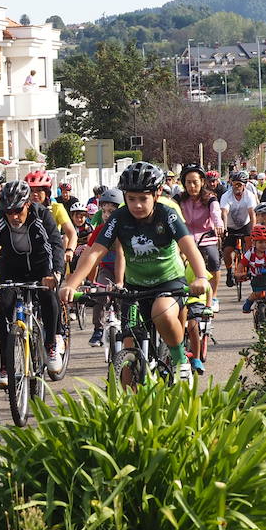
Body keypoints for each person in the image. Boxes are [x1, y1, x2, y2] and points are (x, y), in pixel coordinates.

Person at [60, 162, 212, 383]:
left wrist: (199, 276)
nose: (137, 205)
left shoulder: (167, 214)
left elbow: (189, 246)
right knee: (129, 342)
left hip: (168, 282)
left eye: (143, 199)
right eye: (131, 199)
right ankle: (128, 401)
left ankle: (180, 359)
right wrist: (71, 284)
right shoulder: (119, 217)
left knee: (162, 311)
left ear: (157, 193)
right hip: (135, 286)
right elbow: (94, 253)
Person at [0, 182, 60, 388]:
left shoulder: (41, 216)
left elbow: (53, 245)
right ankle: (5, 366)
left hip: (40, 266)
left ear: (28, 204)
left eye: (18, 210)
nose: (14, 217)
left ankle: (50, 344)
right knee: (4, 306)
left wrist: (54, 273)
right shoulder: (1, 220)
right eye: (8, 212)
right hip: (12, 267)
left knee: (48, 296)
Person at [176, 164, 223, 310]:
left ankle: (213, 296)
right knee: (177, 263)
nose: (191, 186)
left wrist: (218, 224)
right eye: (188, 182)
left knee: (214, 260)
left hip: (206, 237)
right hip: (185, 238)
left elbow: (215, 212)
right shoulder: (179, 198)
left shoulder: (210, 198)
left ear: (202, 182)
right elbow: (169, 209)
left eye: (195, 182)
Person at [82, 187, 123, 347]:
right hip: (106, 269)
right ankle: (98, 329)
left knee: (125, 297)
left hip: (126, 272)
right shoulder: (100, 229)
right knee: (100, 294)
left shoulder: (126, 230)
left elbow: (121, 254)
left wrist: (120, 282)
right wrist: (84, 280)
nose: (106, 215)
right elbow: (88, 255)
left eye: (111, 211)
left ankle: (127, 324)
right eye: (104, 211)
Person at [218, 171, 258, 288]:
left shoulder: (249, 196)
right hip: (230, 226)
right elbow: (224, 213)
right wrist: (224, 228)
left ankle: (250, 266)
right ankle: (230, 272)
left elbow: (252, 215)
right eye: (234, 184)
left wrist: (253, 230)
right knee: (227, 250)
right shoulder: (226, 196)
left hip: (245, 225)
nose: (236, 187)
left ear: (244, 185)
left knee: (250, 243)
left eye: (239, 185)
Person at [236, 225, 266, 317]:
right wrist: (239, 273)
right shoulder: (250, 253)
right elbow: (242, 264)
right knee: (257, 294)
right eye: (260, 242)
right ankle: (248, 303)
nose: (264, 245)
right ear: (254, 242)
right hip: (256, 278)